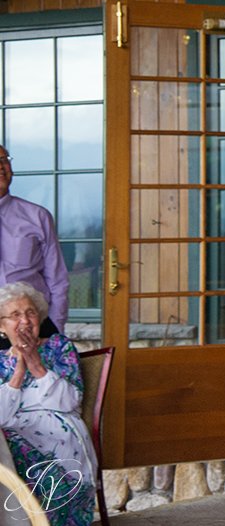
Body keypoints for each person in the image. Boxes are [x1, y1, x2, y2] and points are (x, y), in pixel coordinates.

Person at [0, 282, 97, 525]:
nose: (24, 320)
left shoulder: (59, 347)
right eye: (15, 315)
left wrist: (35, 364)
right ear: (2, 327)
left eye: (30, 312)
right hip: (9, 430)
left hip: (57, 430)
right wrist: (19, 372)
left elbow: (70, 402)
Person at [0, 147, 70, 332]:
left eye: (4, 160)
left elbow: (57, 278)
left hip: (33, 324)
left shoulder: (37, 216)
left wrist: (55, 326)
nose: (1, 167)